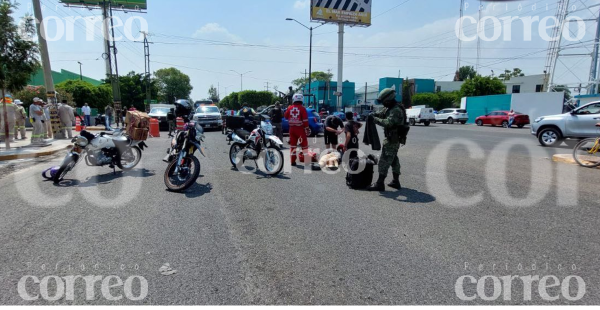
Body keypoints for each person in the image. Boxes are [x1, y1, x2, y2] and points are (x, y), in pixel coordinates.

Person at [368, 88, 407, 192]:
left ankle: (380, 183)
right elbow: (381, 113)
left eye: (384, 101)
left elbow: (388, 123)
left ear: (388, 99)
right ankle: (396, 181)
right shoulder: (389, 107)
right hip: (392, 139)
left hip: (393, 139)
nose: (383, 104)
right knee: (394, 160)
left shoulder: (396, 110)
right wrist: (373, 114)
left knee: (384, 161)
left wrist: (374, 119)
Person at [285, 94, 310, 167]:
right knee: (304, 145)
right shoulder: (302, 108)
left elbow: (285, 116)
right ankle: (307, 161)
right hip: (300, 129)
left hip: (292, 129)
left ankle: (292, 161)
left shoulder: (290, 108)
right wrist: (307, 128)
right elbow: (305, 120)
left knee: (293, 146)